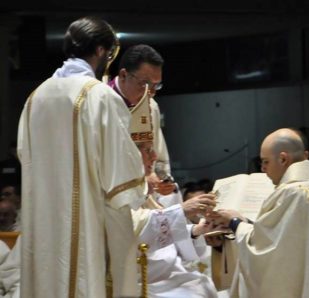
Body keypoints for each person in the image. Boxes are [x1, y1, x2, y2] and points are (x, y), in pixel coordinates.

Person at [17, 17, 147, 298]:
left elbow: (24, 156)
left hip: (42, 220)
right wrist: (141, 168)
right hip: (89, 222)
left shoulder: (34, 98)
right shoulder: (99, 97)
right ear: (101, 51)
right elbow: (121, 179)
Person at [209, 128, 309, 298]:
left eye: (266, 161)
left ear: (283, 159)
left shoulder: (292, 193)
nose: (263, 168)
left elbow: (265, 250)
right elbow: (287, 239)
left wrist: (234, 222)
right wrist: (246, 222)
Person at [127, 89, 218, 297]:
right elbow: (137, 231)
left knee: (204, 285)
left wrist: (196, 230)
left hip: (167, 275)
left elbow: (168, 238)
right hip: (141, 282)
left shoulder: (145, 192)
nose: (154, 155)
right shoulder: (119, 194)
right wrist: (182, 211)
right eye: (147, 149)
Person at [108, 44, 174, 196]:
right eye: (144, 84)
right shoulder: (103, 105)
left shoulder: (152, 106)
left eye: (156, 85)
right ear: (124, 75)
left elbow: (158, 155)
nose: (150, 92)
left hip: (143, 199)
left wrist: (162, 179)